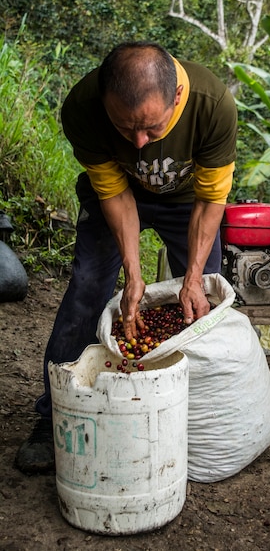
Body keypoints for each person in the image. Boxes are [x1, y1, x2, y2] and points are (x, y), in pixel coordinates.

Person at [15, 41, 237, 474]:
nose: (138, 143)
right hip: (114, 198)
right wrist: (133, 275)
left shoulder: (213, 105)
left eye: (152, 129)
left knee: (199, 304)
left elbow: (212, 200)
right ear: (104, 101)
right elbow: (116, 194)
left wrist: (191, 276)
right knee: (87, 291)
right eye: (124, 127)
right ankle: (52, 416)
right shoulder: (83, 107)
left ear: (176, 98)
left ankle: (190, 416)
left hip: (188, 204)